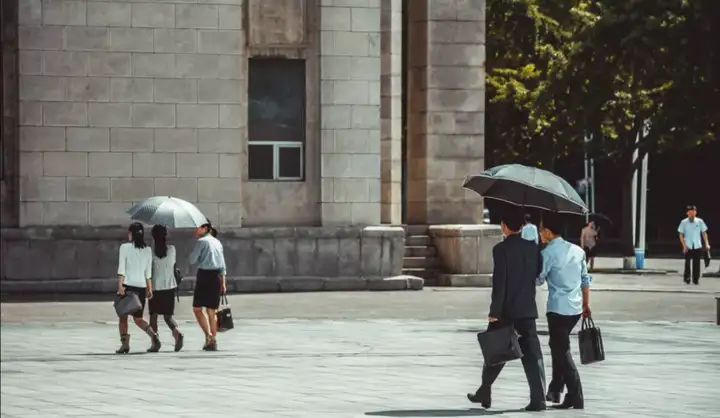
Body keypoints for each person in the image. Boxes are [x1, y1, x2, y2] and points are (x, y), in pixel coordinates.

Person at [467, 207, 546, 411]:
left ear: (504, 226)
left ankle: (485, 391)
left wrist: (494, 312)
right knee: (532, 354)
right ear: (521, 226)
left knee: (495, 351)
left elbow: (499, 284)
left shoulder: (500, 250)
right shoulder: (533, 248)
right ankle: (539, 399)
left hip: (506, 311)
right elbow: (537, 274)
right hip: (527, 308)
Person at [536, 213, 592, 410]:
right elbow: (585, 279)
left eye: (541, 229)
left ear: (549, 232)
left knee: (562, 351)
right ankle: (555, 389)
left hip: (558, 308)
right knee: (558, 346)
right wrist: (586, 305)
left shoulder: (548, 253)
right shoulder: (577, 250)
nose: (540, 233)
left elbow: (539, 279)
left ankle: (575, 396)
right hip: (576, 308)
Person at [116, 223, 161, 354]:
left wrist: (120, 286)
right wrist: (150, 289)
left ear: (131, 233)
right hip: (141, 287)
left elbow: (121, 269)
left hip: (127, 286)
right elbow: (148, 273)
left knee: (123, 317)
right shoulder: (147, 250)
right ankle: (154, 335)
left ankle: (125, 345)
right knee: (138, 318)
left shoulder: (124, 247)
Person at [189, 222, 227, 351]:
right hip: (216, 276)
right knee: (212, 310)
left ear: (205, 228)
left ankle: (208, 335)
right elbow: (222, 265)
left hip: (204, 276)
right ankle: (213, 339)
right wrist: (223, 283)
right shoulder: (217, 242)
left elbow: (192, 260)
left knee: (197, 308)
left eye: (197, 228)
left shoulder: (202, 242)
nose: (195, 230)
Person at [149, 225, 184, 352]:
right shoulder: (172, 250)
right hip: (170, 286)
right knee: (168, 316)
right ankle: (177, 332)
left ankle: (155, 341)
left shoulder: (150, 253)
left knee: (153, 315)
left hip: (155, 287)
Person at [678, 205, 710, 285]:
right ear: (687, 213)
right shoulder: (683, 222)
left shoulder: (700, 221)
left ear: (695, 212)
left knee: (697, 263)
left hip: (697, 244)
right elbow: (681, 234)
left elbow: (704, 233)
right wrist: (684, 246)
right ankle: (687, 277)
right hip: (688, 245)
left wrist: (707, 243)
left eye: (693, 212)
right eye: (690, 212)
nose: (692, 214)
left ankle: (696, 279)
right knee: (687, 263)